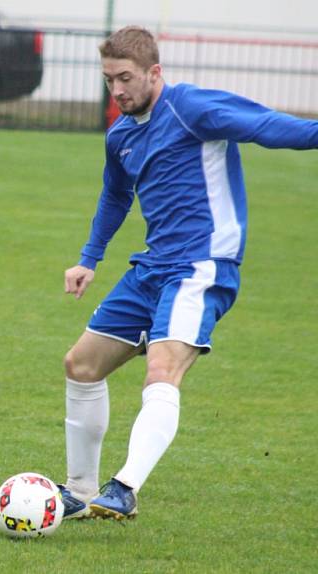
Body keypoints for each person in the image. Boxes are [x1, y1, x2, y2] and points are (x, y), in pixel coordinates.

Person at [58, 25, 318, 520]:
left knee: (162, 369)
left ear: (155, 72)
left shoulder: (191, 107)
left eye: (126, 78)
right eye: (108, 79)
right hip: (151, 268)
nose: (116, 91)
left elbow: (266, 126)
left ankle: (124, 488)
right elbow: (115, 196)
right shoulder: (119, 135)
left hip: (202, 267)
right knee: (81, 365)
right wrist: (89, 258)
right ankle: (80, 489)